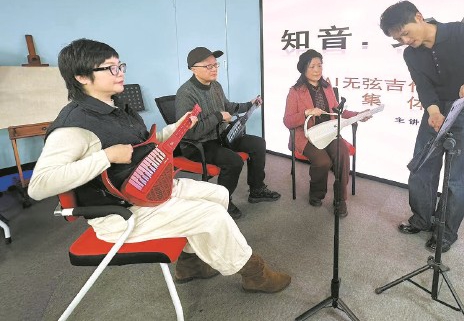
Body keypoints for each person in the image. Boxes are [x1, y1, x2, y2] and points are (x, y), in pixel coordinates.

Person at [28, 38, 290, 293]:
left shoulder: (115, 107)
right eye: (110, 68)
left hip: (148, 189)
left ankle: (190, 264)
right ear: (82, 77)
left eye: (120, 66)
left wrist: (177, 127)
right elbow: (38, 186)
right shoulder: (73, 127)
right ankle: (255, 275)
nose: (120, 73)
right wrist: (105, 157)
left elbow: (145, 145)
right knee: (212, 214)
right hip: (120, 213)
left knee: (218, 193)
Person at [379, 0, 464, 252]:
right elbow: (423, 86)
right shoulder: (411, 54)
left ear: (419, 17)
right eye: (399, 39)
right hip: (436, 109)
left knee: (459, 174)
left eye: (406, 33)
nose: (405, 41)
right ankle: (421, 219)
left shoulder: (461, 32)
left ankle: (446, 231)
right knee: (422, 166)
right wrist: (432, 111)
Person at [175, 47, 280, 220]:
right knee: (234, 161)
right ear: (193, 69)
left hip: (220, 136)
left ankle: (257, 189)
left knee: (258, 144)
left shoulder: (216, 86)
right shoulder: (185, 94)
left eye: (215, 65)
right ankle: (223, 201)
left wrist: (249, 104)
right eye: (208, 66)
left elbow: (228, 107)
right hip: (198, 144)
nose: (214, 69)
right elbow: (191, 132)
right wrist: (218, 117)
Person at [283, 49, 370, 218]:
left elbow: (337, 112)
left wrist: (358, 115)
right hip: (307, 135)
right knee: (323, 161)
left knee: (342, 153)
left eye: (320, 65)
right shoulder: (295, 91)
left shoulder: (327, 87)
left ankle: (340, 199)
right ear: (303, 69)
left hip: (329, 132)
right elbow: (288, 121)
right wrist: (306, 113)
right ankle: (316, 193)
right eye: (312, 66)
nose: (317, 70)